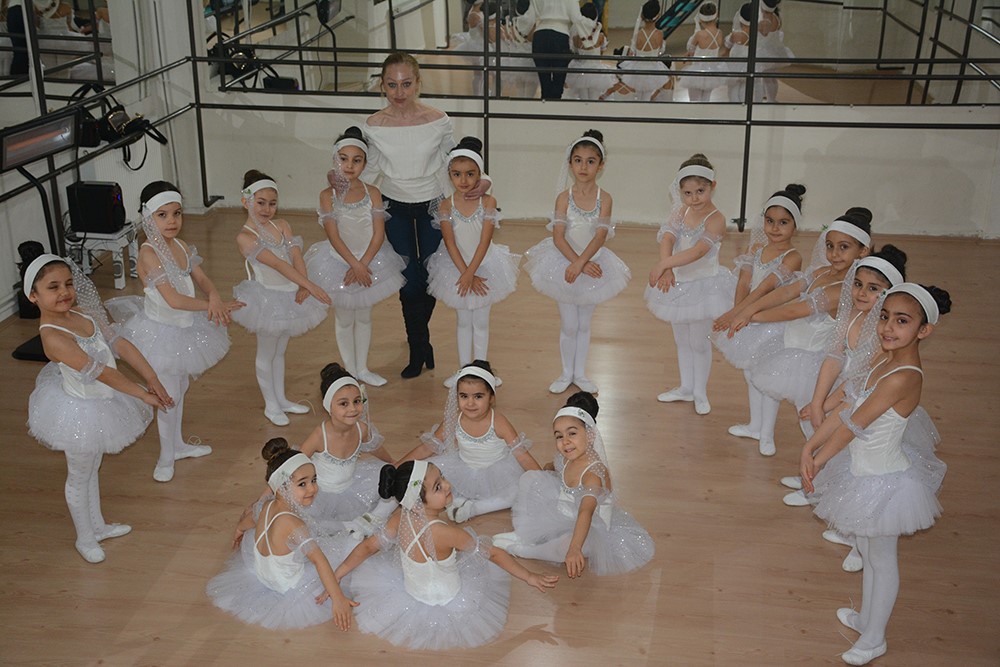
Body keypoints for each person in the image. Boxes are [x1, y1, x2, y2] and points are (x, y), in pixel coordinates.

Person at [801, 284, 950, 666]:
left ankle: (874, 639)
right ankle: (866, 619)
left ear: (924, 330)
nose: (887, 327)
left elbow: (854, 424)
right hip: (862, 472)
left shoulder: (904, 376)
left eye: (902, 321)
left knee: (882, 559)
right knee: (867, 550)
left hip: (885, 481)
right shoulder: (882, 361)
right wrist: (809, 446)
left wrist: (818, 460)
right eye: (885, 317)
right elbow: (845, 407)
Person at [24, 253, 171, 563]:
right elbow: (101, 372)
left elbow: (120, 345)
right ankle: (85, 537)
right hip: (79, 411)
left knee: (93, 467)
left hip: (103, 401)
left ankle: (98, 526)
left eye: (68, 284)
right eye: (53, 287)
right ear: (33, 296)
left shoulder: (83, 313)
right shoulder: (52, 337)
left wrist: (151, 377)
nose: (64, 292)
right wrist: (142, 395)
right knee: (80, 474)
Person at [332, 461, 559, 649]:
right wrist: (529, 576)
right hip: (449, 600)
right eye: (438, 487)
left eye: (441, 477)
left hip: (411, 592)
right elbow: (494, 555)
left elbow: (368, 547)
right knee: (480, 562)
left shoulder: (399, 516)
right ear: (417, 503)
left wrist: (338, 573)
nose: (448, 485)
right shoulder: (446, 533)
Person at [361, 52, 491, 379]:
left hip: (433, 203)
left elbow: (456, 159)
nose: (399, 92)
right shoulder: (374, 125)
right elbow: (370, 168)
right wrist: (341, 182)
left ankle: (420, 341)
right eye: (392, 85)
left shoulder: (438, 120)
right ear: (382, 85)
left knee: (432, 276)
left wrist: (484, 179)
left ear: (418, 84)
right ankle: (418, 346)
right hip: (394, 205)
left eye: (406, 84)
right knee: (409, 280)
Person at [781, 249, 909, 574]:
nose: (862, 293)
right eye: (859, 284)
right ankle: (833, 508)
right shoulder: (850, 314)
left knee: (860, 470)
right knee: (842, 461)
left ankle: (858, 541)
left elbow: (861, 381)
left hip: (870, 406)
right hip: (849, 394)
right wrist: (818, 401)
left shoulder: (885, 335)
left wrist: (829, 404)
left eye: (873, 288)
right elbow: (834, 357)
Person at [106, 183, 242, 482]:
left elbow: (202, 279)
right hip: (162, 333)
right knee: (169, 395)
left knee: (180, 388)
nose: (172, 221)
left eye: (177, 213)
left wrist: (214, 296)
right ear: (147, 217)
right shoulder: (148, 254)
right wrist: (212, 306)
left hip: (185, 326)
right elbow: (173, 300)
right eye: (162, 215)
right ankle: (165, 458)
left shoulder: (180, 246)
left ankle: (177, 445)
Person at [725, 208, 874, 456]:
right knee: (775, 390)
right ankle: (765, 433)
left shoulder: (844, 288)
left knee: (812, 419)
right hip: (791, 346)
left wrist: (750, 316)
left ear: (863, 251)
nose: (834, 254)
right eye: (830, 246)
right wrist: (748, 309)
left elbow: (794, 311)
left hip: (812, 361)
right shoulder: (821, 272)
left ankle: (818, 467)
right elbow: (786, 292)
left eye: (844, 247)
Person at [493, 392, 655, 577]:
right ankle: (523, 534)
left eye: (572, 434)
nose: (565, 442)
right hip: (563, 511)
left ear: (591, 435)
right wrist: (544, 474)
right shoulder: (567, 457)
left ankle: (524, 550)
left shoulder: (593, 474)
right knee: (530, 477)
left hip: (589, 527)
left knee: (567, 545)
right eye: (559, 436)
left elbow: (585, 511)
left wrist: (575, 548)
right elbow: (553, 467)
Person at [208, 438, 358, 630]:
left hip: (263, 575)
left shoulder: (266, 505)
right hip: (288, 586)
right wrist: (337, 598)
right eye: (302, 484)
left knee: (307, 534)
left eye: (314, 480)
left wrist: (239, 529)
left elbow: (249, 521)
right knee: (347, 547)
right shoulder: (293, 524)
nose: (312, 488)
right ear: (280, 487)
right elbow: (319, 560)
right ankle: (355, 528)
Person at [524, 130, 631, 394]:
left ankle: (580, 373)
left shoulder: (605, 198)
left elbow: (600, 235)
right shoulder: (564, 198)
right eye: (578, 160)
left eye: (590, 161)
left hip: (592, 264)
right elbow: (558, 236)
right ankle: (565, 373)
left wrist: (583, 263)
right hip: (563, 262)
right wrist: (575, 263)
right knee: (569, 324)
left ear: (601, 165)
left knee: (584, 323)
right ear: (570, 163)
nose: (584, 167)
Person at [305, 128, 407, 387]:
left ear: (365, 163)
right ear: (334, 160)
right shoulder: (327, 196)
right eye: (343, 159)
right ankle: (349, 371)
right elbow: (333, 235)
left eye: (356, 160)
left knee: (364, 316)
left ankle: (362, 368)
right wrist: (354, 264)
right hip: (339, 263)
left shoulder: (373, 192)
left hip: (370, 262)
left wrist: (364, 264)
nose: (349, 165)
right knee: (344, 318)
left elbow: (378, 233)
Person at [232, 170, 330, 425]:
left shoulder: (283, 225)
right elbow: (277, 264)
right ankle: (271, 405)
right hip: (267, 299)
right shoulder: (245, 237)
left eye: (272, 203)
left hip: (289, 293)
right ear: (246, 201)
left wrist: (303, 285)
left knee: (280, 351)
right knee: (267, 352)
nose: (267, 209)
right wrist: (309, 285)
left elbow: (296, 256)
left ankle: (282, 399)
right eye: (260, 202)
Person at [425, 138, 520, 382]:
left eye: (470, 174)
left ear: (480, 174)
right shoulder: (446, 205)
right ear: (449, 175)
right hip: (455, 268)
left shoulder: (488, 202)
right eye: (457, 174)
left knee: (481, 322)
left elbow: (484, 241)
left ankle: (481, 371)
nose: (464, 180)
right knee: (463, 321)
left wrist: (471, 273)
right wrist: (464, 273)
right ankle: (464, 370)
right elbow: (450, 243)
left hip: (485, 266)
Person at [712, 185, 804, 437]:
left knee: (766, 376)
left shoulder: (793, 257)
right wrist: (737, 311)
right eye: (770, 221)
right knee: (750, 373)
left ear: (795, 225)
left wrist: (737, 314)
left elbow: (765, 289)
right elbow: (744, 283)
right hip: (748, 318)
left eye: (783, 222)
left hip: (773, 323)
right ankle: (755, 425)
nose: (775, 228)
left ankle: (767, 433)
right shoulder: (755, 250)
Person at [397, 361, 541, 522]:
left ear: (491, 398)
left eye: (478, 396)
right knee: (427, 475)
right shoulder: (454, 421)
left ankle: (476, 508)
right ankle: (459, 499)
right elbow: (427, 448)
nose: (470, 403)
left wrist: (543, 480)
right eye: (464, 396)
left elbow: (522, 455)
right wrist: (397, 466)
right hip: (463, 468)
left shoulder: (499, 422)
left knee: (518, 491)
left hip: (497, 473)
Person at [645, 154, 733, 414]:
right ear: (680, 192)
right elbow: (668, 238)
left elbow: (698, 252)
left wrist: (664, 265)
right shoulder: (680, 211)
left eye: (700, 191)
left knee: (699, 342)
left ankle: (700, 392)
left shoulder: (716, 218)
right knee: (681, 339)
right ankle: (686, 387)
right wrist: (667, 267)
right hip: (678, 283)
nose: (694, 198)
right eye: (687, 193)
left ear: (712, 186)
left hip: (704, 286)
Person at [294, 363, 395, 536]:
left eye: (357, 401)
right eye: (343, 404)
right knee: (310, 525)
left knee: (394, 484)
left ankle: (367, 521)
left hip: (351, 486)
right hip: (321, 494)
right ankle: (350, 527)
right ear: (329, 407)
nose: (352, 409)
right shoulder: (320, 435)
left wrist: (393, 463)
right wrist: (268, 494)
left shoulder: (361, 429)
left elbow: (377, 449)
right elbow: (293, 464)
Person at [519, 0, 596, 99]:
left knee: (545, 84)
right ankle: (555, 106)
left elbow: (530, 18)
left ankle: (545, 106)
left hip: (540, 36)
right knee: (558, 83)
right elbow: (576, 18)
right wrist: (593, 26)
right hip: (560, 36)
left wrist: (519, 28)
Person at [618, 0, 672, 101]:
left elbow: (633, 51)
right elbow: (661, 51)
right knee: (647, 97)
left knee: (639, 96)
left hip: (638, 68)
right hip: (652, 68)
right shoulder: (659, 34)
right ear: (657, 16)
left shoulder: (638, 34)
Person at [564, 2, 616, 101]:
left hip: (581, 72)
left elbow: (574, 51)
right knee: (594, 99)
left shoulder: (576, 38)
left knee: (583, 100)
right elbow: (602, 52)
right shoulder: (600, 36)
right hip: (596, 71)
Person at [680, 3, 724, 102]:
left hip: (698, 71)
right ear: (715, 16)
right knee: (706, 100)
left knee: (694, 100)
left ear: (701, 18)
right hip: (712, 71)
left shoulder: (699, 34)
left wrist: (687, 56)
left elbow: (691, 52)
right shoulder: (720, 33)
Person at [756, 0, 794, 102]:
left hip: (766, 51)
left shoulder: (766, 20)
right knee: (771, 77)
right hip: (775, 49)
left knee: (768, 78)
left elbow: (763, 34)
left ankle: (770, 99)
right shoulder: (776, 17)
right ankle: (771, 98)